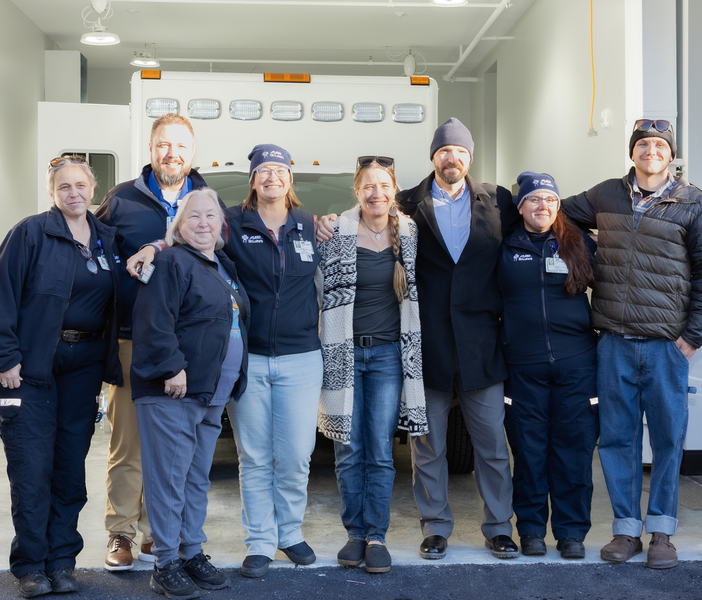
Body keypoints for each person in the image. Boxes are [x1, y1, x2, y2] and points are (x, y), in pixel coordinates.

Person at [318, 118, 520, 561]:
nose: (452, 158)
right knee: (427, 445)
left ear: (469, 156)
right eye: (444, 151)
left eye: (460, 151)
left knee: (490, 444)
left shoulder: (500, 200)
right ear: (433, 157)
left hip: (481, 344)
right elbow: (357, 226)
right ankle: (435, 528)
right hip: (424, 346)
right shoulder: (407, 205)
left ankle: (499, 527)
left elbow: (544, 221)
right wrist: (327, 222)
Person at [132, 144, 323, 578]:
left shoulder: (313, 226)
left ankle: (289, 533)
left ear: (290, 180)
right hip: (248, 360)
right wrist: (153, 248)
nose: (272, 177)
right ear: (252, 180)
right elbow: (189, 234)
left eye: (280, 170)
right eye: (263, 171)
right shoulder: (232, 221)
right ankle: (259, 541)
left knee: (295, 455)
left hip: (299, 357)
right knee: (253, 456)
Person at [560, 119, 702, 569]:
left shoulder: (693, 204)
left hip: (666, 346)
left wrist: (692, 339)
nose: (651, 150)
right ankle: (626, 532)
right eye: (643, 144)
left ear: (670, 155)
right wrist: (586, 245)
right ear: (632, 152)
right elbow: (554, 214)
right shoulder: (605, 195)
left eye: (659, 144)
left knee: (670, 440)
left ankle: (662, 535)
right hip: (612, 340)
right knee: (617, 439)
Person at [0, 156, 120, 598]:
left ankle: (61, 561)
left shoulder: (108, 239)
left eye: (80, 185)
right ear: (52, 193)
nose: (74, 193)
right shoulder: (31, 232)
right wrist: (3, 357)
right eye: (64, 187)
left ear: (94, 189)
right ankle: (32, 565)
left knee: (70, 467)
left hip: (85, 365)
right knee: (31, 466)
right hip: (29, 367)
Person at [95, 113, 207, 571]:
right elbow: (94, 253)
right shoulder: (120, 200)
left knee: (176, 445)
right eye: (163, 145)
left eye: (179, 146)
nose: (171, 154)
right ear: (150, 148)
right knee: (129, 443)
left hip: (186, 343)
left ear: (192, 151)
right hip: (131, 338)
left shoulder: (208, 200)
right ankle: (121, 532)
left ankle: (158, 531)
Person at [131, 188, 248, 599]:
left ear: (221, 224)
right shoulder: (169, 261)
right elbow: (153, 320)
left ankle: (192, 551)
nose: (202, 223)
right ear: (178, 226)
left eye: (210, 216)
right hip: (173, 391)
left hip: (211, 394)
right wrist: (172, 367)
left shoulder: (222, 265)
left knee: (196, 479)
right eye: (192, 216)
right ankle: (165, 562)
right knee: (169, 479)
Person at [317, 156, 428, 574]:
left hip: (386, 356)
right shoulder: (336, 231)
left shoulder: (411, 233)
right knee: (348, 449)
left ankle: (376, 535)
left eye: (383, 186)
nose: (376, 193)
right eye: (368, 186)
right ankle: (355, 533)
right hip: (343, 352)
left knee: (380, 450)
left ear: (393, 190)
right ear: (357, 191)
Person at [498, 171, 599, 560]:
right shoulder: (504, 247)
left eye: (550, 200)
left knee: (574, 451)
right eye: (534, 199)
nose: (543, 206)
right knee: (528, 451)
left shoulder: (578, 245)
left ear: (558, 206)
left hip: (577, 365)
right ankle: (532, 530)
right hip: (523, 367)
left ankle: (572, 532)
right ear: (520, 206)